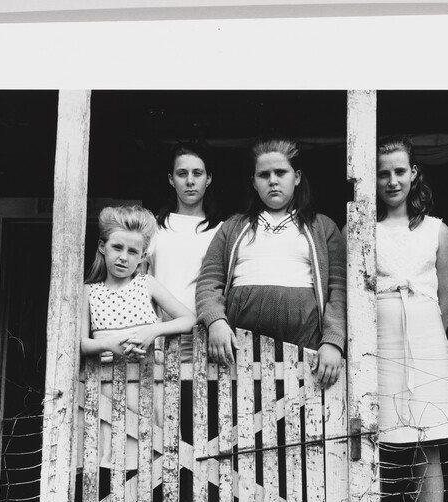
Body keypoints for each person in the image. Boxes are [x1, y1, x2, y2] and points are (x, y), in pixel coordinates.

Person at [374, 136, 448, 502]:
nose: (392, 180)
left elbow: (447, 299)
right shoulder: (363, 230)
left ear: (414, 174)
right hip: (379, 344)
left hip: (427, 344)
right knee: (374, 440)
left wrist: (426, 343)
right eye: (383, 173)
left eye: (399, 171)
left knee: (430, 443)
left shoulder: (437, 230)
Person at [196, 137, 346, 387]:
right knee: (243, 406)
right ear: (254, 183)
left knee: (299, 407)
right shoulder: (233, 227)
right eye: (264, 175)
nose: (273, 180)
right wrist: (215, 321)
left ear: (297, 177)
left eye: (281, 172)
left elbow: (338, 289)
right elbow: (209, 280)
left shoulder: (323, 227)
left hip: (305, 343)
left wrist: (333, 340)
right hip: (240, 347)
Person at [80, 205, 196, 472]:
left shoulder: (147, 284)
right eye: (117, 247)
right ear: (102, 247)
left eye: (132, 251)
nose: (123, 257)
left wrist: (152, 331)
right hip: (106, 390)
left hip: (148, 388)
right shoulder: (89, 292)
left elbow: (188, 318)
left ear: (143, 255)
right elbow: (82, 343)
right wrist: (110, 344)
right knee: (107, 466)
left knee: (152, 465)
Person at [148, 143, 222, 362]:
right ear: (171, 179)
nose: (190, 181)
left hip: (204, 337)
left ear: (209, 179)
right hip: (156, 339)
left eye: (197, 173)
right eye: (182, 174)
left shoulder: (220, 231)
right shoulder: (154, 227)